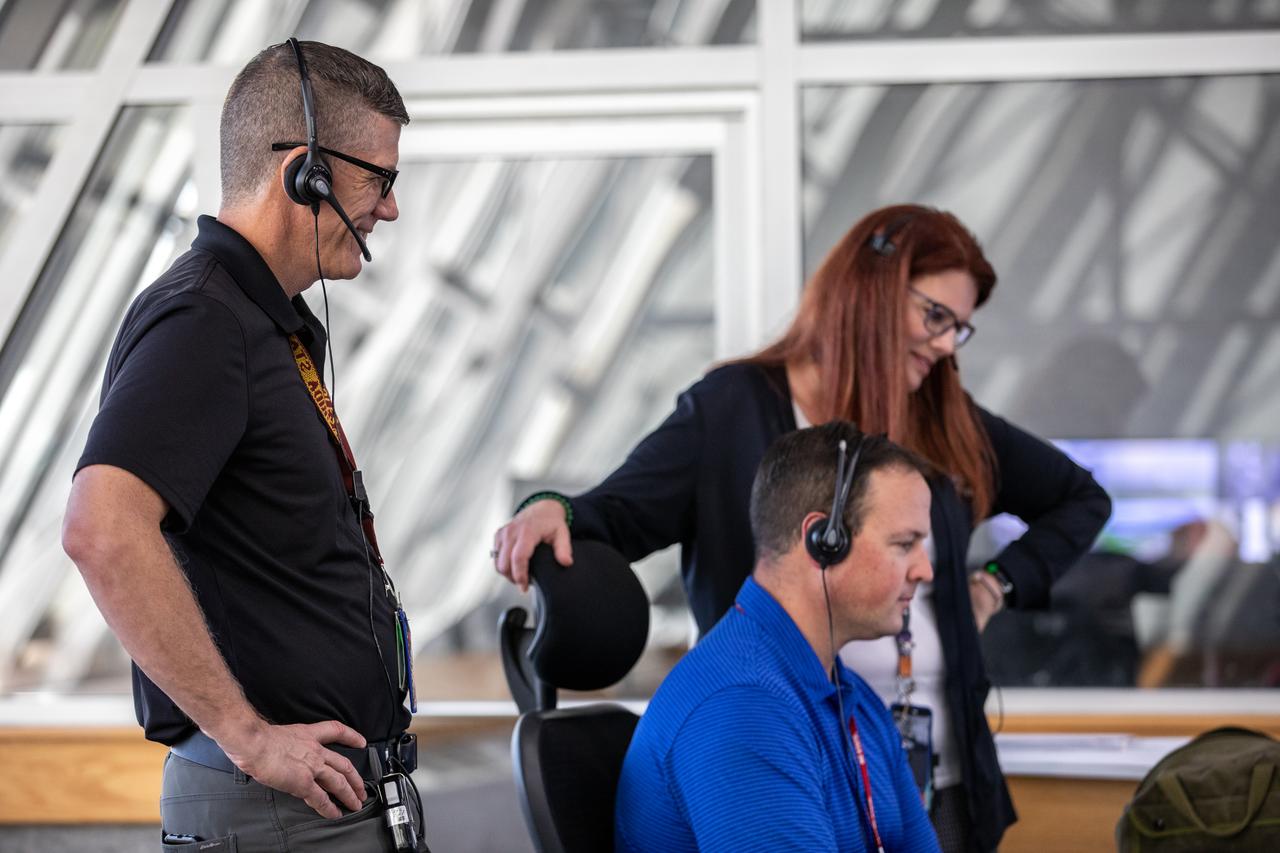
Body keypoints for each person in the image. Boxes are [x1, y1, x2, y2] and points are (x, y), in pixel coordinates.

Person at [493, 204, 1112, 851]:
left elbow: (1079, 497)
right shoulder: (734, 410)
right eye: (935, 317)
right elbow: (618, 510)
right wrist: (553, 508)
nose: (946, 346)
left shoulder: (943, 413)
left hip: (899, 745)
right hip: (783, 727)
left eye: (960, 329)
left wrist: (994, 584)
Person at [61, 40, 426, 851]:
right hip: (274, 813)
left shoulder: (259, 322)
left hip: (309, 811)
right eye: (379, 178)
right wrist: (249, 736)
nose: (389, 209)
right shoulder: (206, 319)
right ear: (307, 172)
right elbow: (102, 528)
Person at [615, 423, 940, 852]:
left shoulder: (849, 696)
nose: (924, 571)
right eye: (904, 544)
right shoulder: (742, 709)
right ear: (824, 542)